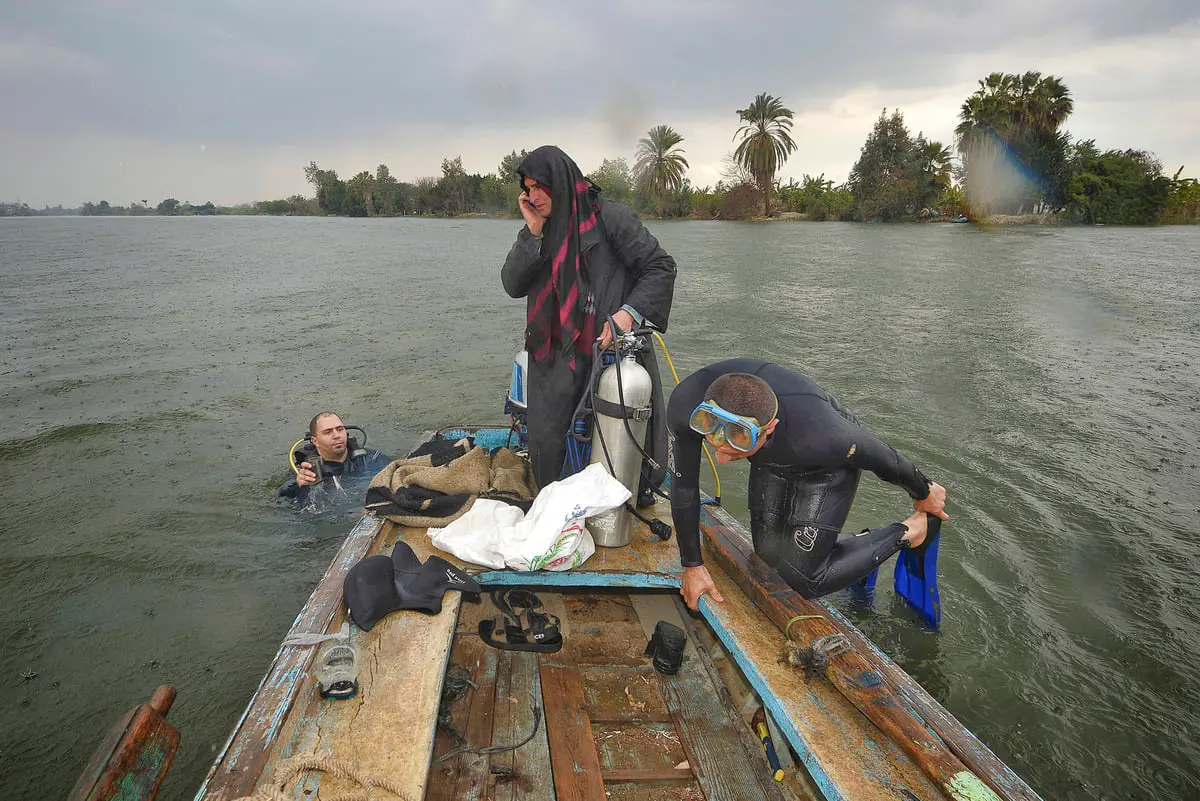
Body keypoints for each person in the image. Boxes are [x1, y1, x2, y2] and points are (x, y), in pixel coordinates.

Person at [666, 359, 949, 610]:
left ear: (769, 428)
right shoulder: (685, 404)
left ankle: (911, 531)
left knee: (804, 579)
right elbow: (684, 486)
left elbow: (881, 456)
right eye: (713, 439)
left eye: (735, 446)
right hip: (771, 458)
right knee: (768, 558)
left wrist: (923, 490)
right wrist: (692, 566)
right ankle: (858, 544)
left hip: (824, 466)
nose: (720, 458)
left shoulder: (827, 436)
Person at [501, 145, 677, 492]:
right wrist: (532, 232)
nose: (532, 196)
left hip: (606, 354)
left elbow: (660, 267)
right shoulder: (540, 229)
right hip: (551, 359)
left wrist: (628, 313)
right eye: (528, 188)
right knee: (549, 452)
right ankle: (556, 507)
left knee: (613, 448)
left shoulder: (610, 218)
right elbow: (512, 284)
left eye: (540, 187)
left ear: (561, 182)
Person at [276, 412, 389, 502]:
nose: (336, 435)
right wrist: (298, 485)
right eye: (328, 432)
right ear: (315, 441)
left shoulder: (372, 458)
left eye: (340, 429)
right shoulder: (304, 472)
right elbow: (281, 497)